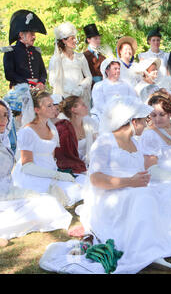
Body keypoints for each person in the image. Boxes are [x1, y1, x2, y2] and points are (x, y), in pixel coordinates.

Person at [40, 96, 171, 274]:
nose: (147, 123)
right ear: (133, 121)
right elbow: (96, 179)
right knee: (142, 197)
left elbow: (140, 170)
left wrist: (143, 180)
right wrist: (129, 182)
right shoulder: (105, 142)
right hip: (110, 194)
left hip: (133, 187)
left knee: (169, 190)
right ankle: (145, 251)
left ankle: (163, 239)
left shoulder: (135, 142)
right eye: (143, 120)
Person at [0, 98, 72, 244]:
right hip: (4, 198)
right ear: (37, 110)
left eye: (5, 115)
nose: (3, 119)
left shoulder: (4, 141)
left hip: (7, 193)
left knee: (50, 204)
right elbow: (26, 164)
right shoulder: (27, 131)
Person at [11, 89, 85, 207]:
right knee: (62, 196)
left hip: (51, 172)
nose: (54, 108)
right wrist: (57, 175)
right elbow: (27, 167)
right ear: (37, 110)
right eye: (49, 106)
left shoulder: (52, 128)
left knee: (81, 185)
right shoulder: (27, 131)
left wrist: (58, 172)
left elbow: (52, 156)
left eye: (53, 105)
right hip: (32, 175)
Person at [48, 22, 93, 108]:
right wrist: (70, 90)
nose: (75, 41)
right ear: (64, 40)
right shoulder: (56, 59)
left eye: (75, 38)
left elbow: (89, 76)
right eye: (72, 38)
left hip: (80, 97)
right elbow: (53, 81)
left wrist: (81, 87)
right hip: (65, 99)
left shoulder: (80, 57)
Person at [2, 9, 47, 90]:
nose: (34, 37)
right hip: (20, 90)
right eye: (32, 34)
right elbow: (9, 74)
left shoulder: (36, 51)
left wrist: (41, 82)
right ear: (21, 35)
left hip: (37, 90)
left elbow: (43, 72)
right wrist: (26, 84)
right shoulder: (10, 51)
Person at [54, 96, 98, 174]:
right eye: (83, 105)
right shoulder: (64, 128)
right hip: (71, 168)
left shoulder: (90, 122)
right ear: (73, 109)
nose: (86, 106)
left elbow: (98, 143)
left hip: (90, 165)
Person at [91, 58, 138, 122]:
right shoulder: (99, 86)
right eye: (115, 69)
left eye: (119, 69)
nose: (118, 71)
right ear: (107, 71)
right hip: (105, 117)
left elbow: (134, 99)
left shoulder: (126, 84)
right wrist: (112, 114)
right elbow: (99, 105)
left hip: (125, 116)